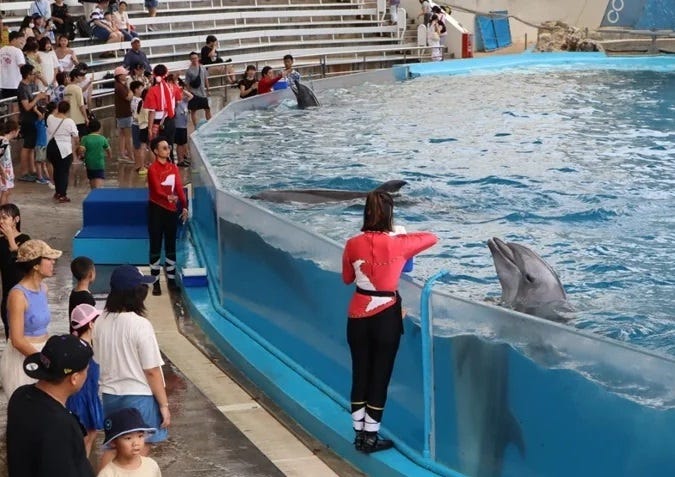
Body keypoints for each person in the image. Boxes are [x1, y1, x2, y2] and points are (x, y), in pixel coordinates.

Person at [342, 191, 437, 453]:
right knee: (380, 376)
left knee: (360, 373)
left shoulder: (352, 243)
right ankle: (371, 438)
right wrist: (398, 236)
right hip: (386, 315)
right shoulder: (399, 244)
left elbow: (347, 279)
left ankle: (358, 434)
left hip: (358, 314)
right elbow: (431, 237)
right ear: (390, 215)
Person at [93, 265, 171, 469]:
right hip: (139, 397)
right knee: (136, 455)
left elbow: (98, 360)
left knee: (113, 447)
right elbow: (152, 371)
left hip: (110, 395)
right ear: (136, 294)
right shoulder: (140, 325)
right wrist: (164, 405)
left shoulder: (101, 320)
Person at [6, 334, 94, 477]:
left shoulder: (20, 396)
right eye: (86, 371)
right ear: (74, 378)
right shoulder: (61, 424)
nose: (87, 374)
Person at [0, 239, 62, 398]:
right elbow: (17, 340)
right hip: (23, 357)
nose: (53, 262)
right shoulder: (17, 295)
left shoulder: (44, 288)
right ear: (35, 265)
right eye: (48, 259)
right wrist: (44, 361)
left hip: (42, 351)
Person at [147, 137, 188, 294]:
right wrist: (168, 198)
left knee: (171, 246)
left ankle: (171, 280)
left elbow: (178, 187)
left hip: (171, 211)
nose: (167, 150)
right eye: (164, 148)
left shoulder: (173, 168)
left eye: (168, 147)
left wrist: (184, 206)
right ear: (156, 151)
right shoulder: (153, 169)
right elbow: (157, 190)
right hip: (156, 210)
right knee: (155, 245)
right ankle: (155, 282)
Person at [66, 303, 103, 457]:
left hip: (84, 396)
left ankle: (82, 465)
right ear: (90, 324)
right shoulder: (84, 349)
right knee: (86, 436)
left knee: (90, 434)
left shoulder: (79, 345)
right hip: (82, 397)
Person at [99, 407, 162, 477]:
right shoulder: (108, 474)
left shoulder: (151, 465)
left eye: (140, 436)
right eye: (128, 438)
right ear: (113, 442)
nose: (136, 443)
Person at [0, 203, 30, 339]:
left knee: (25, 335)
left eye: (5, 217)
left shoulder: (25, 240)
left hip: (24, 296)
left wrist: (12, 241)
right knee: (11, 338)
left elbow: (27, 263)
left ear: (16, 219)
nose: (1, 221)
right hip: (7, 296)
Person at [17, 64, 48, 183]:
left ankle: (32, 170)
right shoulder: (22, 88)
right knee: (27, 147)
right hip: (27, 120)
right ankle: (24, 172)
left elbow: (46, 85)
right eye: (33, 73)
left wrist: (40, 79)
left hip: (33, 119)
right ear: (28, 74)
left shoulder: (30, 85)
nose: (34, 75)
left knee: (31, 147)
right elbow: (26, 106)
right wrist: (37, 98)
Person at [47, 100, 80, 202]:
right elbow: (76, 136)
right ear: (68, 110)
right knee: (64, 172)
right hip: (64, 149)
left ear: (58, 108)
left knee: (57, 170)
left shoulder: (50, 118)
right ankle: (62, 194)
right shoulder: (69, 121)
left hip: (51, 146)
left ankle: (57, 192)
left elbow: (53, 114)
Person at [145, 64, 181, 158]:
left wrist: (149, 128)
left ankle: (160, 168)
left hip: (157, 122)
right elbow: (177, 102)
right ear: (166, 73)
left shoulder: (152, 90)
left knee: (156, 147)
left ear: (154, 75)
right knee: (169, 145)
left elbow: (152, 111)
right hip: (170, 118)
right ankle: (171, 164)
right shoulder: (173, 87)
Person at [79, 118, 111, 189]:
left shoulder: (85, 138)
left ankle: (93, 196)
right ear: (99, 128)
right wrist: (109, 156)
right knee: (98, 185)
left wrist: (80, 155)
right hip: (99, 164)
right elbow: (108, 149)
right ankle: (98, 198)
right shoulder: (102, 138)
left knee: (92, 183)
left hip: (89, 164)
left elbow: (81, 150)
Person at [0, 32, 26, 114]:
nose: (22, 43)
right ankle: (13, 126)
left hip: (2, 83)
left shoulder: (1, 49)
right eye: (20, 41)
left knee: (5, 108)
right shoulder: (17, 51)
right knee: (15, 107)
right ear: (14, 39)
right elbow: (22, 67)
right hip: (15, 84)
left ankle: (7, 125)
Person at [184, 51, 211, 127]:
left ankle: (209, 124)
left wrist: (208, 90)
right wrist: (190, 93)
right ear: (190, 59)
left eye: (195, 58)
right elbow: (187, 83)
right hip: (194, 93)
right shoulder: (189, 70)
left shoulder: (202, 67)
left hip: (202, 92)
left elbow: (206, 79)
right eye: (192, 58)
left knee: (207, 109)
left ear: (198, 58)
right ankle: (195, 126)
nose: (194, 59)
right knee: (193, 111)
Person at [114, 65, 134, 163]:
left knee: (122, 135)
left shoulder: (120, 85)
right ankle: (130, 156)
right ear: (119, 76)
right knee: (127, 136)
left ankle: (122, 154)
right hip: (125, 113)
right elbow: (128, 98)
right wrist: (131, 89)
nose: (126, 75)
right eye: (124, 74)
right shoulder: (120, 86)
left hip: (121, 113)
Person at [130, 80, 149, 175]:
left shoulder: (135, 100)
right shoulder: (137, 101)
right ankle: (139, 164)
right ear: (136, 89)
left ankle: (140, 164)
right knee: (139, 146)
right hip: (138, 125)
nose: (142, 90)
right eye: (141, 88)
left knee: (139, 146)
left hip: (137, 124)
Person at [0, 120, 20, 205]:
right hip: (4, 171)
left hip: (5, 171)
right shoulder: (3, 141)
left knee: (6, 192)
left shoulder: (4, 141)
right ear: (13, 131)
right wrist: (3, 172)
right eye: (18, 130)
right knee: (6, 192)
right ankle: (2, 214)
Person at [65, 68, 89, 137]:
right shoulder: (77, 88)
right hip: (79, 120)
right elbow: (81, 105)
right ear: (75, 77)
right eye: (80, 76)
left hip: (68, 118)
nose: (82, 78)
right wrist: (86, 118)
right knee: (81, 142)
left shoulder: (66, 88)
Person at [174, 78, 192, 167]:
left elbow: (191, 96)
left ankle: (183, 157)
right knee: (179, 143)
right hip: (178, 125)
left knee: (183, 142)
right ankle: (180, 159)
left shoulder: (184, 100)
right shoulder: (176, 101)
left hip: (183, 125)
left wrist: (183, 91)